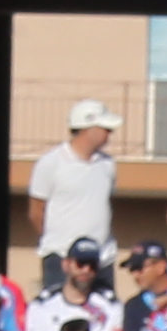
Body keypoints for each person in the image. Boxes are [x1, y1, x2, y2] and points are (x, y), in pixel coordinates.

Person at [31, 99, 122, 275]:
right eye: (105, 128)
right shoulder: (50, 162)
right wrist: (56, 240)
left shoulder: (108, 164)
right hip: (62, 257)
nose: (109, 133)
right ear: (88, 128)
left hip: (102, 258)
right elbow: (36, 211)